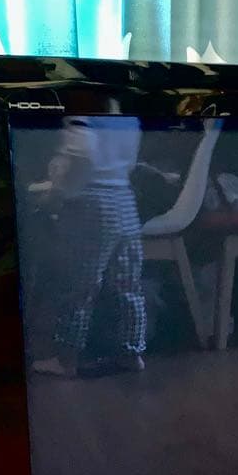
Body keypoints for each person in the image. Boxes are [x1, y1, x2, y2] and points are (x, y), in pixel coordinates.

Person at [30, 115, 147, 376]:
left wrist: (58, 193)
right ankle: (132, 352)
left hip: (91, 203)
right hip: (124, 197)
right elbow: (130, 162)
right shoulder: (129, 120)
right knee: (129, 284)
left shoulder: (83, 117)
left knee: (80, 282)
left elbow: (81, 157)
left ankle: (66, 357)